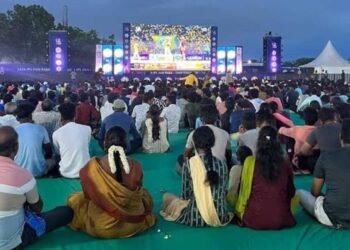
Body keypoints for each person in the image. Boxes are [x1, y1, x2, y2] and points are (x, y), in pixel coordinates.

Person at [68, 126, 156, 238]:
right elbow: (138, 188)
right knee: (145, 195)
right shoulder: (136, 165)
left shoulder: (92, 167)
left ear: (105, 143)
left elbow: (88, 195)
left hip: (102, 226)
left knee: (75, 200)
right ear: (126, 144)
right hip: (134, 224)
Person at [0, 126, 73, 249]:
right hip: (12, 243)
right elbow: (37, 207)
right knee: (66, 212)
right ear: (16, 147)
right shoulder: (23, 175)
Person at [160, 126, 233, 227]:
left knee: (167, 197)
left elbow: (185, 195)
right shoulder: (222, 164)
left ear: (194, 143)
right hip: (220, 216)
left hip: (195, 217)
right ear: (213, 142)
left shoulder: (189, 164)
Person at [234, 126, 298, 230]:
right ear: (277, 143)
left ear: (259, 142)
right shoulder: (285, 163)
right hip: (281, 219)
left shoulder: (250, 162)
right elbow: (291, 192)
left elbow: (244, 191)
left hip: (254, 219)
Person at [298, 119, 350, 229]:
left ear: (340, 136)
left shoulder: (326, 156)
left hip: (332, 217)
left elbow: (315, 192)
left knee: (299, 193)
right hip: (334, 214)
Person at [179, 104, 232, 173]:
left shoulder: (194, 133)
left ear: (201, 118)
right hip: (220, 168)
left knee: (180, 158)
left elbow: (186, 155)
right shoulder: (225, 133)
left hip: (199, 170)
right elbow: (228, 155)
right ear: (216, 118)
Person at [53, 102, 91, 178]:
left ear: (61, 117)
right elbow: (87, 145)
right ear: (75, 115)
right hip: (85, 171)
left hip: (65, 173)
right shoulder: (87, 129)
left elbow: (58, 152)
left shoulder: (56, 133)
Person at [14, 103, 52, 177]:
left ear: (17, 118)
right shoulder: (41, 129)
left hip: (19, 172)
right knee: (53, 161)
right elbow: (49, 152)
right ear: (30, 116)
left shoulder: (14, 131)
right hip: (39, 171)